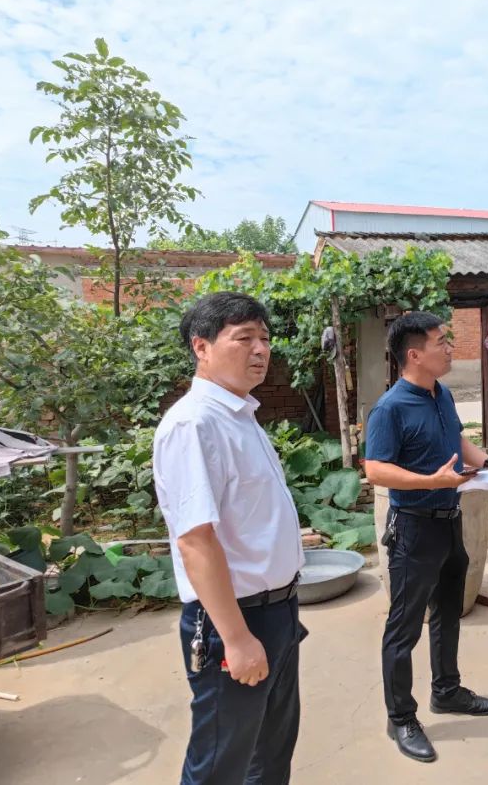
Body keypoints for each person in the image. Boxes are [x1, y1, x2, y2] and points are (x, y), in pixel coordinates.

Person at [154, 292, 307, 784]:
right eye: (243, 338)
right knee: (221, 760)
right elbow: (196, 541)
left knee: (271, 750)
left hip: (278, 610)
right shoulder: (193, 423)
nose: (260, 350)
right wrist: (238, 639)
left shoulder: (241, 414)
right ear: (201, 347)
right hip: (234, 618)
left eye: (264, 338)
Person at [363, 311, 488, 763]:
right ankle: (400, 716)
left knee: (448, 611)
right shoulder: (390, 408)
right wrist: (432, 482)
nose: (449, 348)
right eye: (441, 341)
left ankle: (447, 690)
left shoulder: (440, 394)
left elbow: (458, 443)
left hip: (449, 522)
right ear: (413, 354)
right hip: (414, 530)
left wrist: (487, 464)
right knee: (403, 629)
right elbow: (375, 470)